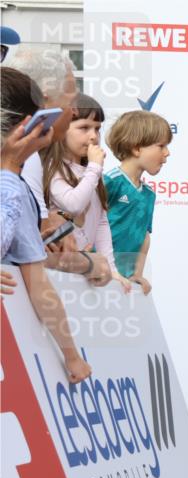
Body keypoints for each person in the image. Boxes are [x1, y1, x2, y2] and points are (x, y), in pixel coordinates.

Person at [1, 66, 90, 383]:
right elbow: (38, 285)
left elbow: (39, 284)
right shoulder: (13, 184)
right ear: (24, 128)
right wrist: (72, 356)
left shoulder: (17, 186)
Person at [43, 93, 130, 292]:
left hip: (84, 268)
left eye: (97, 129)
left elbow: (101, 221)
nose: (93, 136)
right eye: (84, 128)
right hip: (58, 270)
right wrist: (93, 168)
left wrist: (110, 267)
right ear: (63, 128)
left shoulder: (93, 172)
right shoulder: (53, 167)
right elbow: (73, 204)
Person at [6, 46, 78, 250]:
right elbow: (35, 252)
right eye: (71, 101)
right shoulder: (25, 157)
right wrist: (92, 265)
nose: (74, 112)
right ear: (44, 101)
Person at [103, 110, 172, 294]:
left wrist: (137, 274)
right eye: (161, 146)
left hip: (124, 282)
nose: (167, 153)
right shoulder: (110, 182)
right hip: (98, 276)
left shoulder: (149, 194)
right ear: (136, 148)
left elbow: (144, 237)